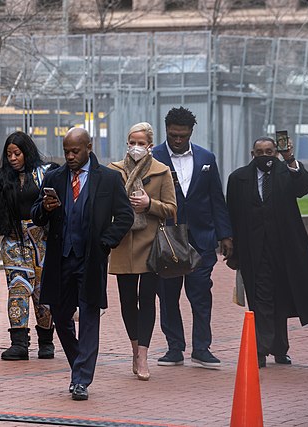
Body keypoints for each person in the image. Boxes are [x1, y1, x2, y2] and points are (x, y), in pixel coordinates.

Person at [31, 127, 133, 400]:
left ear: (89, 147)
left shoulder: (109, 179)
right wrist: (45, 208)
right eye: (66, 152)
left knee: (88, 316)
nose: (70, 156)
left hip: (90, 260)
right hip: (60, 259)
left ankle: (81, 380)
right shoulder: (55, 177)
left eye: (75, 151)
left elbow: (125, 217)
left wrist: (105, 242)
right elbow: (36, 214)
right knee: (61, 317)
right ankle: (80, 362)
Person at [226, 136, 308, 368]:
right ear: (252, 154)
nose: (265, 156)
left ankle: (279, 348)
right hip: (253, 249)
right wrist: (230, 245)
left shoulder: (286, 173)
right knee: (260, 298)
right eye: (260, 152)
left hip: (285, 249)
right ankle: (260, 349)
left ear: (276, 153)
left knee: (281, 297)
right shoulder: (238, 178)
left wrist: (290, 159)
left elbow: (304, 187)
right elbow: (232, 213)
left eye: (270, 151)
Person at [152, 107, 233, 368]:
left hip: (202, 238)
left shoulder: (207, 158)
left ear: (191, 133)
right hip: (167, 238)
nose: (178, 140)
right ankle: (175, 348)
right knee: (168, 295)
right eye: (174, 135)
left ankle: (202, 348)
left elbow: (216, 199)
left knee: (200, 294)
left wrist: (225, 235)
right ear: (166, 130)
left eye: (183, 136)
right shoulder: (154, 157)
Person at [0, 131, 57, 360]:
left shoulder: (45, 174)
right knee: (18, 289)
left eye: (17, 153)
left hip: (42, 241)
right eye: (8, 154)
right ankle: (19, 343)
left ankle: (46, 341)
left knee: (43, 292)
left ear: (26, 152)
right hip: (13, 242)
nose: (12, 158)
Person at [107, 122, 177, 381]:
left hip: (151, 245)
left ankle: (144, 356)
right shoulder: (113, 171)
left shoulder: (161, 171)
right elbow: (104, 205)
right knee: (127, 300)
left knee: (148, 299)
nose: (136, 147)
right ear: (127, 143)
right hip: (123, 243)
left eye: (141, 143)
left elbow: (172, 208)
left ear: (150, 145)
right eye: (132, 142)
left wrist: (150, 204)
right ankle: (135, 349)